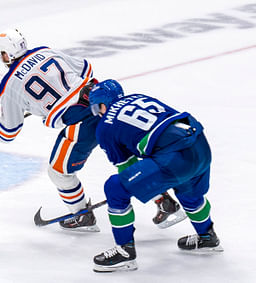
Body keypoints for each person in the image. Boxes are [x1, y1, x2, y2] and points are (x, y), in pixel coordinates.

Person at [0, 29, 183, 232]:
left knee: (59, 173)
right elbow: (86, 70)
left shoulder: (9, 85)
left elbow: (9, 130)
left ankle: (82, 215)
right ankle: (165, 202)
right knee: (124, 157)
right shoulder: (45, 52)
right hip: (105, 107)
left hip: (79, 123)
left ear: (4, 55)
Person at [89, 79, 223, 272]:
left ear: (102, 104)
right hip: (200, 144)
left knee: (115, 188)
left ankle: (125, 253)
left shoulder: (104, 127)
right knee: (188, 193)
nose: (98, 113)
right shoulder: (138, 97)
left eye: (96, 109)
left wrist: (155, 194)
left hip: (175, 157)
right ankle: (208, 238)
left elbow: (126, 167)